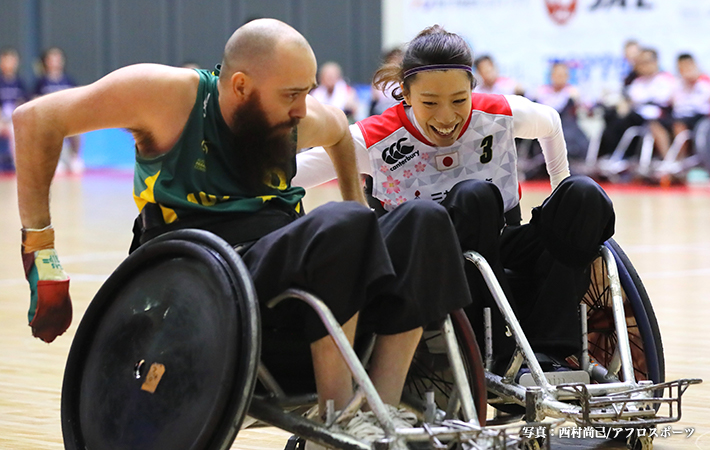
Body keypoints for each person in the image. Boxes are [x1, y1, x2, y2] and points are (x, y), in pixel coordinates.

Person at [14, 19, 472, 448]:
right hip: (202, 276)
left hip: (283, 267)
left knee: (423, 220)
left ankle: (380, 412)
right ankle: (337, 423)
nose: (302, 109)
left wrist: (357, 201)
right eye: (292, 94)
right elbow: (36, 119)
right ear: (240, 86)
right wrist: (42, 254)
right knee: (341, 223)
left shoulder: (294, 115)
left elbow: (338, 132)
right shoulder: (170, 96)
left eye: (307, 92)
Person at [294, 25, 615, 369]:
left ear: (472, 89)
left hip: (500, 240)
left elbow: (551, 123)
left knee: (584, 195)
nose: (447, 117)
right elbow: (291, 173)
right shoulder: (375, 139)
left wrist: (559, 189)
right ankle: (496, 351)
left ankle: (550, 350)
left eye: (459, 100)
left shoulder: (499, 114)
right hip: (430, 264)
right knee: (474, 195)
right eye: (430, 102)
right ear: (404, 92)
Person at [33, 46, 83, 174]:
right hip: (48, 116)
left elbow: (77, 97)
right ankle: (55, 160)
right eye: (52, 59)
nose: (55, 62)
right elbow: (34, 100)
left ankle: (74, 158)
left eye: (58, 58)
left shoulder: (68, 80)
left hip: (67, 115)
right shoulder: (41, 82)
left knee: (79, 127)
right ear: (46, 61)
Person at [533, 62, 590, 161]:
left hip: (568, 129)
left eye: (563, 75)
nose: (560, 78)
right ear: (551, 76)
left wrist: (577, 100)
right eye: (557, 75)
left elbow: (588, 108)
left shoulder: (573, 92)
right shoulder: (541, 92)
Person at [671, 53, 710, 157]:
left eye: (687, 66)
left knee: (679, 124)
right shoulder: (678, 82)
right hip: (681, 114)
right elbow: (673, 102)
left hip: (700, 116)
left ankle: (682, 156)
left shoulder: (704, 81)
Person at [0, 48, 27, 172]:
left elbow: (24, 102)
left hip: (14, 119)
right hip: (2, 120)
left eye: (12, 60)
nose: (9, 63)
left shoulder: (20, 82)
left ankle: (20, 164)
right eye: (6, 60)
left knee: (13, 129)